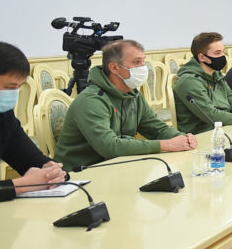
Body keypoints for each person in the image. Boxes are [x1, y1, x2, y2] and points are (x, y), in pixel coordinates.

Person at [54, 39, 196, 171]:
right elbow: (109, 147)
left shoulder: (133, 95)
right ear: (114, 68)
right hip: (81, 174)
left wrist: (183, 138)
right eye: (137, 62)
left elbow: (157, 129)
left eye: (144, 61)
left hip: (116, 166)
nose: (143, 67)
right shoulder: (91, 101)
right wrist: (167, 144)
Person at [0, 41, 67, 205]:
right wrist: (21, 184)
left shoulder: (1, 114)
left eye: (19, 87)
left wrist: (53, 172)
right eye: (10, 87)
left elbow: (32, 159)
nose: (14, 95)